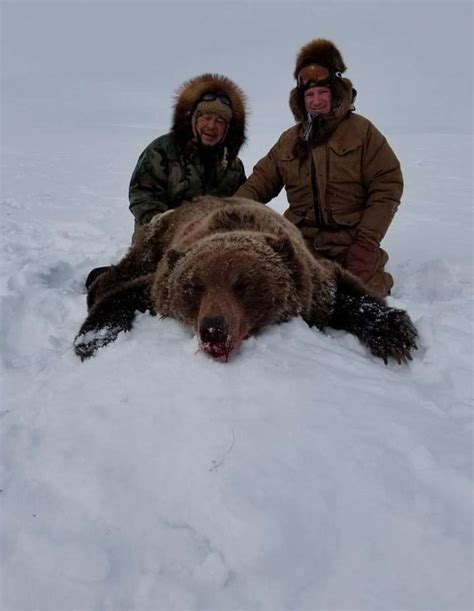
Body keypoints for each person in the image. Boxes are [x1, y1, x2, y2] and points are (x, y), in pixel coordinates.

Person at [235, 39, 403, 296]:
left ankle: (376, 273)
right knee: (275, 289)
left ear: (336, 93)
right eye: (309, 95)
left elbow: (387, 185)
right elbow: (259, 184)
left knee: (354, 296)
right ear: (300, 100)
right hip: (300, 241)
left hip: (351, 242)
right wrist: (227, 214)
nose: (316, 101)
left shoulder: (363, 132)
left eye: (322, 93)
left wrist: (367, 242)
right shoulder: (289, 140)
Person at [86, 73, 247, 289]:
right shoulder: (162, 150)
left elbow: (242, 205)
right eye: (206, 118)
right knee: (153, 281)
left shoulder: (233, 165)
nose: (212, 126)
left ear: (227, 129)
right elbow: (141, 195)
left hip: (211, 244)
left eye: (219, 121)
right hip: (159, 238)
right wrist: (164, 222)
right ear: (193, 119)